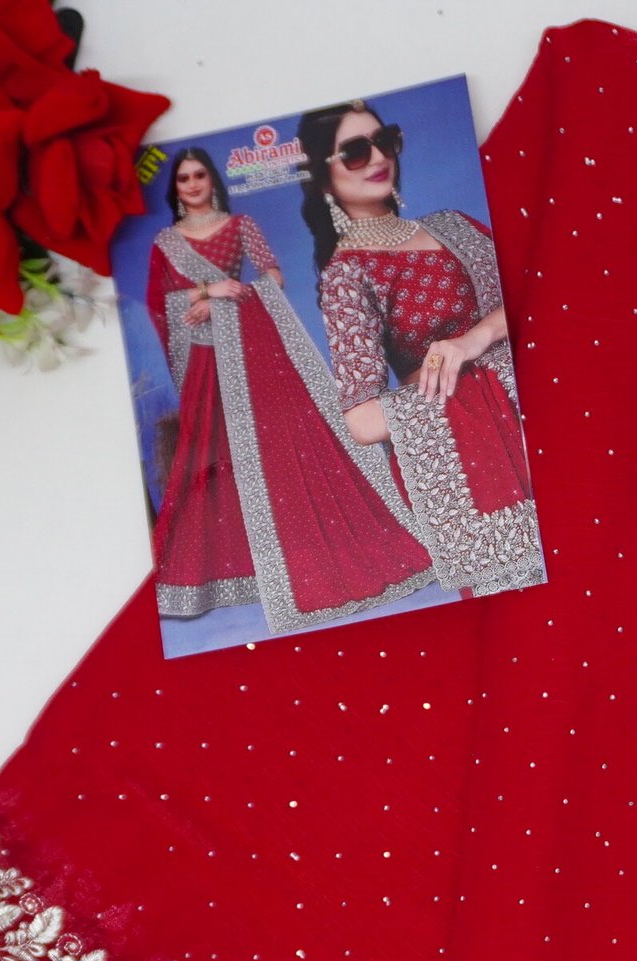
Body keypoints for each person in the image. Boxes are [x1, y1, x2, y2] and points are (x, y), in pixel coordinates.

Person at [145, 147, 437, 636]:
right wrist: (206, 292)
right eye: (183, 178)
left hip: (250, 352)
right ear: (175, 188)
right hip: (204, 359)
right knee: (211, 453)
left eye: (199, 175)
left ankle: (291, 560)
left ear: (212, 180)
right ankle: (231, 572)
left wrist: (232, 295)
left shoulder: (240, 226)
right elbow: (160, 305)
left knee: (272, 447)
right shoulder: (165, 243)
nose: (192, 184)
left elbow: (273, 276)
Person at [297, 103, 546, 597]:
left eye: (384, 139)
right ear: (323, 178)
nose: (377, 157)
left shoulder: (452, 224)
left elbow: (538, 294)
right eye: (354, 151)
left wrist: (474, 340)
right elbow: (363, 420)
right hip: (476, 452)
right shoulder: (347, 275)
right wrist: (475, 390)